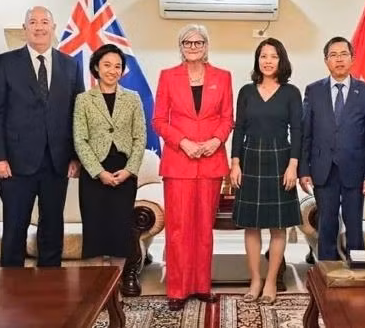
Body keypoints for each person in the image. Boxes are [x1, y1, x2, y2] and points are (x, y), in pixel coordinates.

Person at [0, 6, 84, 267]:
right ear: (25, 27)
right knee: (15, 228)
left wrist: (75, 156)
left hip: (56, 162)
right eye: (33, 22)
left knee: (52, 228)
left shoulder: (70, 65)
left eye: (44, 22)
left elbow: (77, 113)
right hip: (15, 164)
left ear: (53, 27)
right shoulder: (5, 63)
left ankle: (49, 289)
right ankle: (12, 292)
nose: (39, 27)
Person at [153, 24, 233, 311]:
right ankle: (177, 289)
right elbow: (159, 121)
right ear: (181, 46)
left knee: (203, 229)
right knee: (178, 229)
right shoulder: (167, 77)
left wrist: (216, 140)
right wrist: (182, 142)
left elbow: (227, 118)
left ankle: (201, 286)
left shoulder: (222, 77)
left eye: (199, 42)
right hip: (179, 162)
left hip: (211, 162)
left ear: (207, 46)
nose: (194, 46)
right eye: (188, 42)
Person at [230, 38, 302, 304]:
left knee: (278, 227)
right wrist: (235, 162)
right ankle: (255, 280)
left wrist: (293, 164)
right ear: (257, 60)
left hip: (280, 159)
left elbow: (298, 131)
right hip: (250, 159)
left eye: (273, 56)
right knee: (251, 226)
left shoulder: (291, 92)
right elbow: (239, 129)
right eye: (263, 56)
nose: (268, 61)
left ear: (281, 60)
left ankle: (271, 281)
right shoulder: (246, 91)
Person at [299, 36, 365, 262]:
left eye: (344, 54)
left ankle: (358, 271)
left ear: (352, 59)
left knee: (354, 223)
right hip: (324, 168)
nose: (339, 59)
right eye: (333, 55)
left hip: (355, 169)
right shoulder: (313, 91)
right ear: (326, 61)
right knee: (327, 223)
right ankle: (326, 271)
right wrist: (304, 170)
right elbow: (307, 133)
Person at [73, 44, 146, 261]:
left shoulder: (132, 98)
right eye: (107, 65)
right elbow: (80, 139)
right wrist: (99, 172)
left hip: (124, 173)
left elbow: (140, 138)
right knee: (95, 235)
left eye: (117, 66)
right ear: (96, 67)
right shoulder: (84, 99)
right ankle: (98, 293)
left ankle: (116, 294)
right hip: (94, 175)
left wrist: (129, 170)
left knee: (120, 237)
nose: (112, 70)